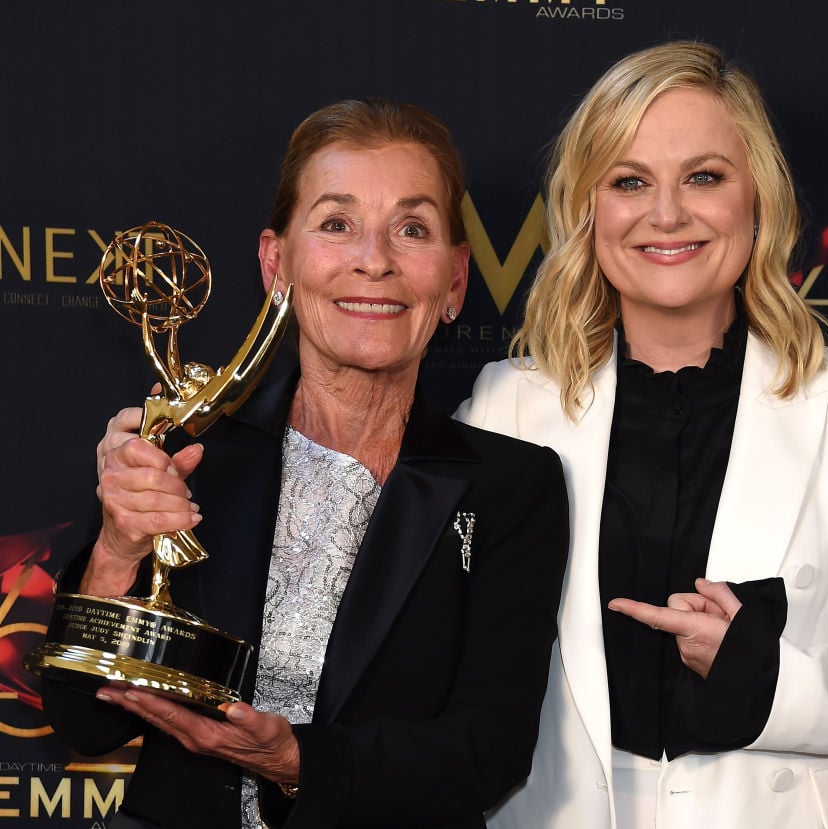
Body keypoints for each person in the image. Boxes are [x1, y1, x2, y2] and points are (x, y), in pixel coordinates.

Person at [457, 41, 828, 829]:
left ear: (756, 198)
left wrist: (762, 676)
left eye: (703, 176)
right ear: (589, 209)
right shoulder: (506, 404)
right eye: (629, 181)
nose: (667, 213)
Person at [41, 98, 569, 829]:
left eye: (411, 229)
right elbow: (83, 721)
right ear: (276, 264)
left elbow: (490, 752)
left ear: (454, 281)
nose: (374, 260)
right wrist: (116, 549)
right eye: (336, 224)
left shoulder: (509, 486)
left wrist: (299, 760)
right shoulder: (187, 453)